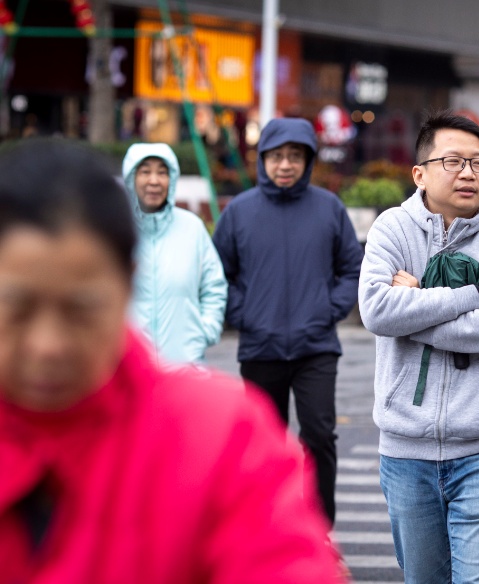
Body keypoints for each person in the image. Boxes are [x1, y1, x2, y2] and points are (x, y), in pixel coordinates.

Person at [0, 139, 340, 583]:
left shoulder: (222, 436)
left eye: (81, 308)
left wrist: (202, 332)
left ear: (126, 284)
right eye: (18, 307)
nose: (48, 345)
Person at [358, 110, 479, 583]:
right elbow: (376, 311)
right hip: (405, 452)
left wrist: (414, 305)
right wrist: (466, 298)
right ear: (420, 172)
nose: (467, 173)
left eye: (478, 163)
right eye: (453, 161)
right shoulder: (392, 229)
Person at [212, 117, 363, 525]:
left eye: (295, 156)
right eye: (276, 156)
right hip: (260, 347)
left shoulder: (328, 207)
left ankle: (319, 525)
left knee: (319, 437)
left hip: (316, 348)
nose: (285, 165)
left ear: (307, 160)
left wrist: (330, 310)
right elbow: (216, 273)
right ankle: (267, 524)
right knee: (263, 442)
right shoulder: (239, 212)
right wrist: (243, 315)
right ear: (263, 159)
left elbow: (352, 267)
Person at [122, 143, 227, 366]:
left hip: (185, 366)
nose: (154, 181)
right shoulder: (116, 231)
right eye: (145, 171)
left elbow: (214, 285)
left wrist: (205, 331)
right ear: (131, 178)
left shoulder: (192, 228)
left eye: (162, 172)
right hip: (129, 368)